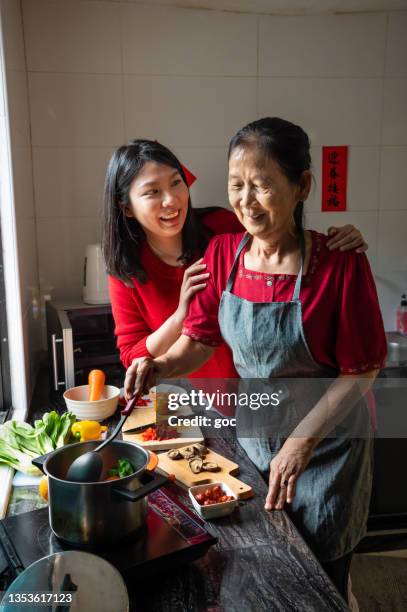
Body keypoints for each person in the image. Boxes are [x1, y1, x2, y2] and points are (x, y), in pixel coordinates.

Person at [123, 119, 387, 604]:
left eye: (262, 186)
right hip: (258, 442)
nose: (245, 201)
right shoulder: (223, 254)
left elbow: (361, 370)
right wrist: (159, 367)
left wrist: (301, 444)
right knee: (265, 574)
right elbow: (198, 341)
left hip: (326, 451)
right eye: (236, 185)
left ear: (301, 185)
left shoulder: (340, 263)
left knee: (323, 581)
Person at [103, 139, 367, 386]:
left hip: (263, 391)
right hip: (203, 401)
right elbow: (133, 357)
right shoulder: (125, 270)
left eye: (176, 183)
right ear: (126, 207)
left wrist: (334, 242)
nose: (171, 200)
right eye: (152, 192)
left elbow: (284, 242)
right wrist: (181, 315)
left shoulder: (222, 230)